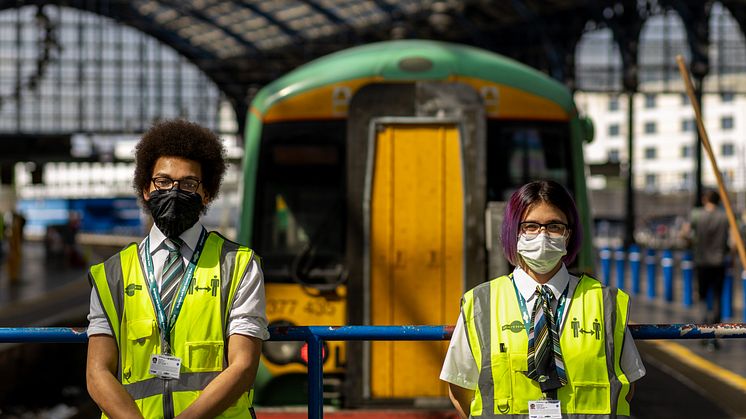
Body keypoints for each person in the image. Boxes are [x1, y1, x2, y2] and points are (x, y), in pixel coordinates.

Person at [86, 119, 269, 418]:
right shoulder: (112, 274)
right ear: (147, 189)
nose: (174, 191)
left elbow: (244, 365)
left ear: (206, 194)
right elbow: (97, 372)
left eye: (188, 184)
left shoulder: (238, 265)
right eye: (163, 181)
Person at [440, 180, 645, 418]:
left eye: (554, 226)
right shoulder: (481, 303)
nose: (543, 235)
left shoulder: (604, 302)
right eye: (530, 226)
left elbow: (626, 388)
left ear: (568, 234)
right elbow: (460, 387)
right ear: (514, 231)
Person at [682, 189, 730, 350]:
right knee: (717, 297)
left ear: (704, 200)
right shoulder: (725, 216)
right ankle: (715, 335)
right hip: (719, 262)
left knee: (702, 296)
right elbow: (734, 241)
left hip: (701, 261)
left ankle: (703, 332)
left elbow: (685, 233)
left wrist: (691, 243)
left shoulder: (696, 215)